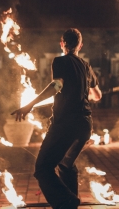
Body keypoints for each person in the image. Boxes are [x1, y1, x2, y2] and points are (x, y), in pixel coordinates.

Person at [11, 28, 102, 209]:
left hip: (65, 125)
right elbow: (97, 95)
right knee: (66, 164)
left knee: (43, 169)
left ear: (62, 43)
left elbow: (57, 85)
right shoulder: (86, 65)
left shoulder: (60, 61)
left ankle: (67, 201)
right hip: (84, 125)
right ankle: (70, 203)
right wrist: (83, 93)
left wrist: (30, 105)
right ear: (80, 45)